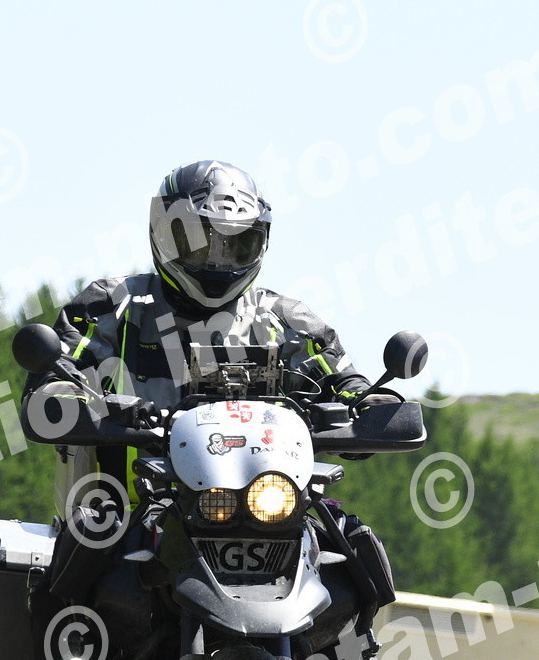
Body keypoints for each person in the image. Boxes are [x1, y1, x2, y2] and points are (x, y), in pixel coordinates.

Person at [33, 159, 372, 512]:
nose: (218, 260)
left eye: (237, 245)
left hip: (267, 505)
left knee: (349, 537)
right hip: (125, 510)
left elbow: (345, 384)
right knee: (90, 536)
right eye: (200, 243)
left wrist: (370, 402)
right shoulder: (112, 304)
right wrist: (76, 397)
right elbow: (58, 375)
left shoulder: (287, 320)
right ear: (163, 232)